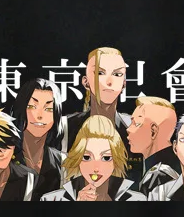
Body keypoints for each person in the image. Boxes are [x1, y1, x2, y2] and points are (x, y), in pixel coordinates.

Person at [0, 78, 66, 201]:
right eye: (32, 106)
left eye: (48, 109)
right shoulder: (3, 146)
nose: (40, 116)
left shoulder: (62, 161)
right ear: (21, 108)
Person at [60, 46, 143, 185]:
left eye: (117, 74)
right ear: (85, 81)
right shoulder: (65, 127)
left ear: (124, 83)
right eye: (100, 73)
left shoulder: (134, 127)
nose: (109, 81)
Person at [41, 115, 145, 202]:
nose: (96, 168)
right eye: (87, 157)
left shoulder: (137, 200)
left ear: (115, 160)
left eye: (106, 158)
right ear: (78, 158)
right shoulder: (51, 199)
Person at [126, 95, 180, 197]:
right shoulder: (169, 168)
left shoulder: (159, 177)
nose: (128, 129)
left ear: (153, 131)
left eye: (136, 124)